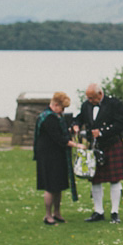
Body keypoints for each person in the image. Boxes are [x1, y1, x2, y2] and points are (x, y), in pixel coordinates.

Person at [71, 83, 123, 224]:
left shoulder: (114, 104)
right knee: (95, 179)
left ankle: (115, 212)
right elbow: (79, 118)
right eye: (88, 98)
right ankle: (98, 211)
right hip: (95, 147)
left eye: (92, 98)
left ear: (100, 94)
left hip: (111, 144)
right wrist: (75, 124)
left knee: (114, 179)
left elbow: (121, 124)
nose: (90, 101)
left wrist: (102, 132)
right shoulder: (86, 105)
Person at [34, 91, 86, 225]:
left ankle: (57, 213)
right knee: (51, 186)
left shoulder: (55, 116)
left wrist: (71, 130)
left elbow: (60, 132)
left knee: (58, 185)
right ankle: (48, 215)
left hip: (58, 155)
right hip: (48, 156)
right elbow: (58, 138)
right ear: (55, 104)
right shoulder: (48, 118)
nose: (63, 111)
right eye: (62, 108)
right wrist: (76, 145)